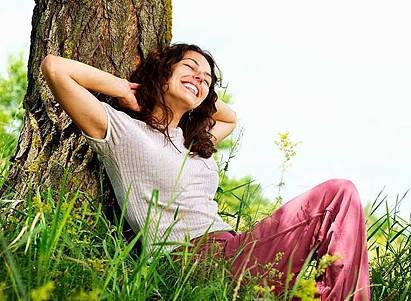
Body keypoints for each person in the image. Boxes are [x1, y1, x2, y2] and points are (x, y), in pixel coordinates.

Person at [40, 43, 370, 300]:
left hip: (233, 251)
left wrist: (197, 89)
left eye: (207, 79)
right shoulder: (122, 132)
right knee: (337, 194)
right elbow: (55, 68)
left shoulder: (193, 140)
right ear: (161, 73)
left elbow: (230, 116)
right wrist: (130, 89)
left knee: (322, 268)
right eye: (189, 67)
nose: (200, 78)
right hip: (193, 260)